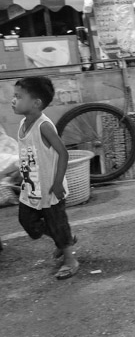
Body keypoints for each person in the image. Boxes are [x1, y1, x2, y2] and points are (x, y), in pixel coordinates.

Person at [12, 77, 78, 280]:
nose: (13, 100)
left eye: (18, 97)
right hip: (31, 186)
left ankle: (70, 259)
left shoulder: (44, 126)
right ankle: (64, 238)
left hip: (50, 187)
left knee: (56, 221)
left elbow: (63, 154)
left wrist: (57, 183)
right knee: (27, 222)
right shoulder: (23, 123)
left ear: (36, 103)